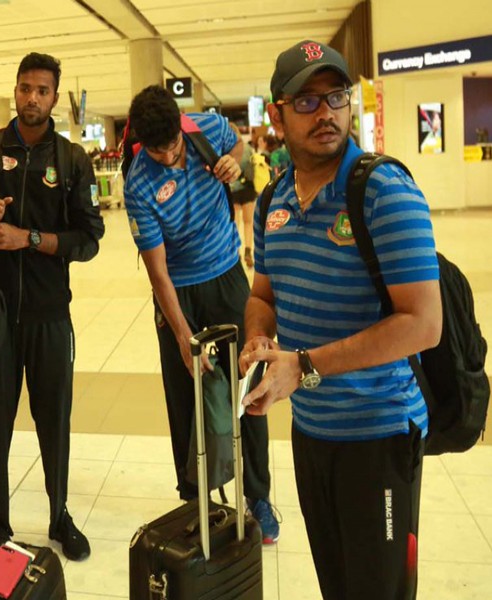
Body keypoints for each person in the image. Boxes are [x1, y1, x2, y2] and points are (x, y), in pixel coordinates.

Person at [239, 41, 442, 599]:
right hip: (311, 432)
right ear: (277, 114)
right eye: (306, 101)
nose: (325, 112)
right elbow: (263, 295)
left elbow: (423, 324)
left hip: (378, 435)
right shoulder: (273, 200)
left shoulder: (383, 190)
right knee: (337, 585)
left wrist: (303, 366)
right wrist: (258, 340)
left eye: (336, 96)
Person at [0, 52, 105, 561]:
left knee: (55, 421)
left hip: (51, 315)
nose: (32, 98)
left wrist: (26, 237)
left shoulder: (71, 160)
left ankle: (60, 516)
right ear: (15, 91)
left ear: (55, 98)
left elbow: (89, 239)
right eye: (25, 88)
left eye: (42, 91)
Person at [123, 85, 279, 543]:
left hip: (227, 275)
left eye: (174, 144)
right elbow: (158, 274)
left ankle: (259, 495)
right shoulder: (138, 184)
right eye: (158, 151)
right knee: (185, 396)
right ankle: (195, 497)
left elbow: (239, 146)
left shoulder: (204, 129)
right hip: (178, 290)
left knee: (250, 382)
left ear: (181, 126)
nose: (170, 155)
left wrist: (234, 159)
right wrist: (182, 337)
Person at [227, 123, 257, 268]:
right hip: (248, 189)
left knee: (236, 222)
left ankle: (236, 252)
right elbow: (253, 169)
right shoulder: (248, 148)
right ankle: (248, 251)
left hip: (233, 189)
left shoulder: (227, 150)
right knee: (248, 222)